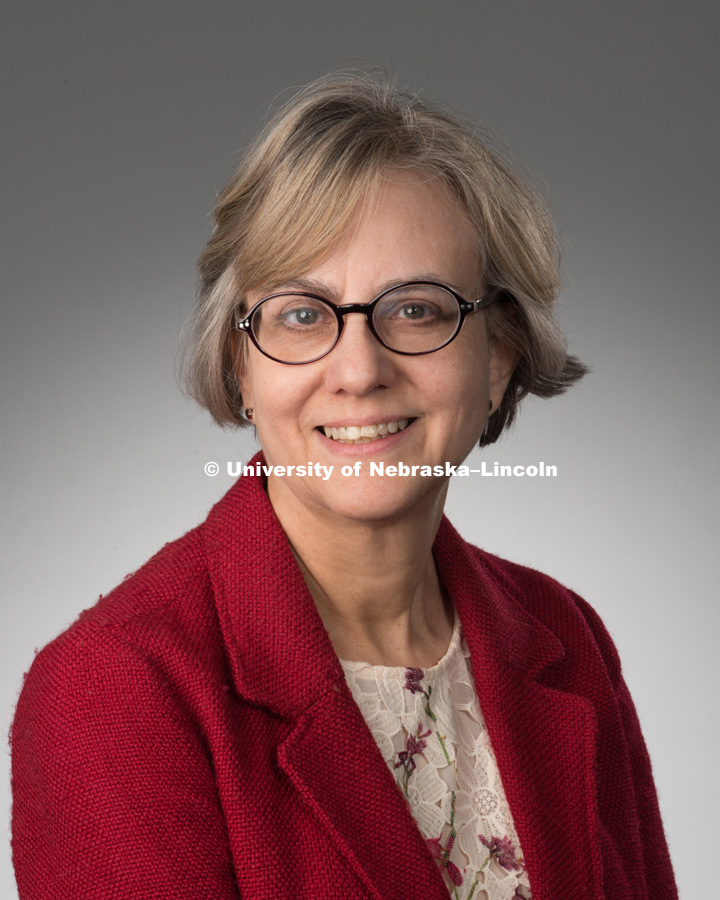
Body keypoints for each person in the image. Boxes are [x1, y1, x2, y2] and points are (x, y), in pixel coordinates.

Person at [11, 71, 678, 900]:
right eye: (300, 313)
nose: (358, 372)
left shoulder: (566, 637)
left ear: (500, 357)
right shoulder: (115, 692)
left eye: (417, 309)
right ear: (239, 364)